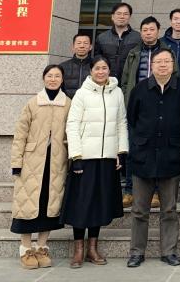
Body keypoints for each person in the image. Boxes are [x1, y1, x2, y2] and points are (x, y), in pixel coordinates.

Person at [125, 48, 180, 268]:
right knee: (139, 210)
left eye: (167, 62)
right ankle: (137, 252)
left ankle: (169, 251)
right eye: (158, 62)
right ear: (152, 65)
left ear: (173, 65)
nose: (163, 65)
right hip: (143, 156)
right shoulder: (140, 89)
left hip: (170, 156)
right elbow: (132, 119)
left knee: (169, 209)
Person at [63, 57, 127, 268]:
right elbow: (72, 125)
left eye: (104, 68)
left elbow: (121, 122)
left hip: (107, 158)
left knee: (99, 203)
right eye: (97, 68)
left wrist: (121, 151)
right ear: (91, 71)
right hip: (85, 158)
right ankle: (78, 249)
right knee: (81, 204)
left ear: (109, 70)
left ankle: (92, 248)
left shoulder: (117, 92)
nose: (101, 72)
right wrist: (76, 156)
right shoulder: (82, 93)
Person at [9, 64, 70, 270]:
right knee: (27, 205)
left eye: (57, 76)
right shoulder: (33, 103)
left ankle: (42, 247)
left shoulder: (68, 104)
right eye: (49, 75)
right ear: (44, 78)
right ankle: (26, 249)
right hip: (32, 163)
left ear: (62, 80)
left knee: (49, 206)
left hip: (56, 163)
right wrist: (16, 163)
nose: (53, 79)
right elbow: (20, 134)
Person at [119, 16, 168, 205]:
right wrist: (127, 100)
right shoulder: (133, 53)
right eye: (145, 30)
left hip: (160, 107)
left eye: (151, 29)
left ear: (158, 31)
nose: (148, 33)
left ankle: (155, 192)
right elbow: (125, 81)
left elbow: (175, 76)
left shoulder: (167, 53)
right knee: (134, 149)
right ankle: (130, 190)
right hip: (137, 108)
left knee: (156, 150)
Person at [93, 2, 140, 80]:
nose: (122, 16)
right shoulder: (102, 38)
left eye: (125, 14)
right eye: (119, 13)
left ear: (130, 17)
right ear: (112, 16)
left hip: (129, 82)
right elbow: (96, 61)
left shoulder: (138, 38)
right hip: (107, 81)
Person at [60, 33, 93, 98]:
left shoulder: (96, 66)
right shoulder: (62, 67)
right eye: (79, 43)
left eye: (85, 43)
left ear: (90, 47)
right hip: (69, 102)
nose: (82, 46)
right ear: (73, 47)